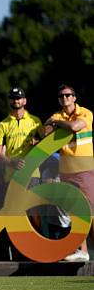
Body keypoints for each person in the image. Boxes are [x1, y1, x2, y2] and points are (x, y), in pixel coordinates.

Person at [44, 84, 94, 262]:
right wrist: (53, 124)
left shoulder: (86, 113)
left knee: (91, 212)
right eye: (61, 96)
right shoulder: (58, 115)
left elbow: (75, 126)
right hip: (66, 171)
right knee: (75, 212)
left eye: (68, 95)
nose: (65, 98)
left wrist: (57, 123)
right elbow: (46, 132)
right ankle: (82, 250)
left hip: (85, 169)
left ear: (74, 98)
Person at [0, 87, 43, 187]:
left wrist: (38, 141)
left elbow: (46, 140)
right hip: (12, 175)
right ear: (9, 101)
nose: (16, 100)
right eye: (13, 98)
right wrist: (12, 162)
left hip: (32, 173)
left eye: (18, 98)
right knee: (14, 203)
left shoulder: (35, 121)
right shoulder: (3, 124)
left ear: (24, 101)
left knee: (33, 203)